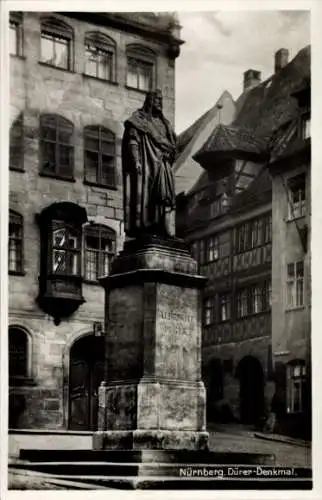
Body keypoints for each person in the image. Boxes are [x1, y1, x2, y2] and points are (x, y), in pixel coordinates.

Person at [122, 89, 177, 239]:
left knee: (164, 196)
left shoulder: (166, 123)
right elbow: (133, 140)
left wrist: (170, 154)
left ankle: (162, 227)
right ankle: (147, 226)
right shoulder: (139, 119)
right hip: (147, 163)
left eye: (161, 100)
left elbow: (173, 145)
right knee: (146, 194)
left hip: (163, 165)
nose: (159, 103)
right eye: (156, 99)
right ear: (149, 100)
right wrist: (136, 161)